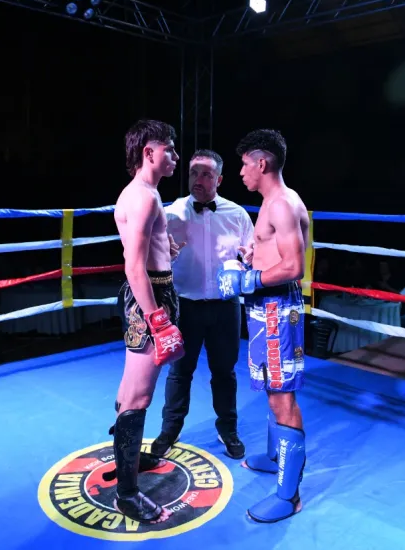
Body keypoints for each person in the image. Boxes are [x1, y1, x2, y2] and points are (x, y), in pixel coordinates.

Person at [217, 129, 308, 524]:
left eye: (243, 164)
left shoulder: (282, 204)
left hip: (277, 308)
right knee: (272, 388)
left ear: (262, 162)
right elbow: (275, 254)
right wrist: (251, 257)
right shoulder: (271, 203)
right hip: (264, 307)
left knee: (281, 398)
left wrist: (248, 280)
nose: (240, 172)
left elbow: (294, 267)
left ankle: (289, 497)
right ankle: (274, 458)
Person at [151, 149, 254, 460]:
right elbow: (155, 257)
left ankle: (228, 429)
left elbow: (252, 253)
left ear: (219, 179)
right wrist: (165, 257)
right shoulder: (172, 213)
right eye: (194, 172)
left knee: (225, 372)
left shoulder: (237, 214)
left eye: (206, 174)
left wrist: (248, 261)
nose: (198, 179)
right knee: (180, 372)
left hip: (225, 306)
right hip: (185, 305)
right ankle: (170, 429)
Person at [110, 119, 185, 524]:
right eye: (170, 148)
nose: (175, 156)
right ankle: (127, 495)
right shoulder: (141, 197)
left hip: (155, 292)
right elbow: (134, 267)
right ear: (149, 152)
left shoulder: (147, 194)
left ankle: (128, 459)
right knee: (138, 396)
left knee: (131, 391)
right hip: (149, 298)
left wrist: (166, 252)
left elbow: (146, 257)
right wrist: (157, 318)